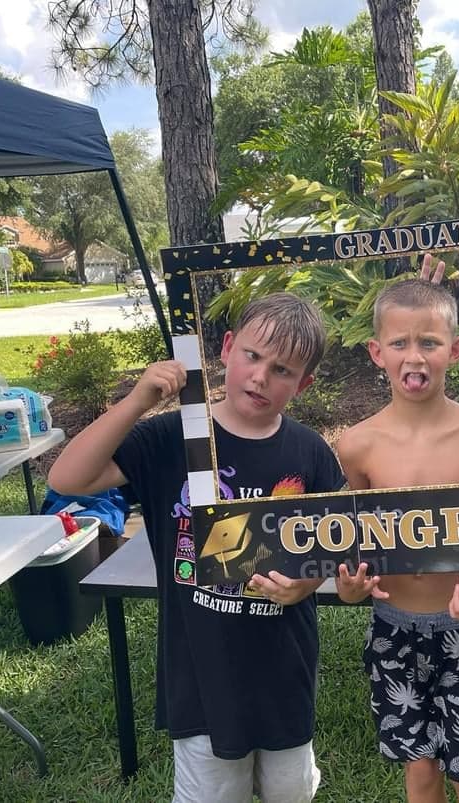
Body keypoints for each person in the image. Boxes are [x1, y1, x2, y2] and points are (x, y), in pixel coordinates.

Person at [49, 293, 344, 803]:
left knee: (289, 790)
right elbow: (69, 477)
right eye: (252, 356)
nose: (260, 377)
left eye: (282, 370)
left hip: (284, 668)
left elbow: (330, 545)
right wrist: (139, 399)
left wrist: (307, 585)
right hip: (202, 668)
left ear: (304, 384)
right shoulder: (170, 437)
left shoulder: (310, 452)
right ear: (227, 348)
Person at [334, 277, 459, 803]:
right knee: (420, 773)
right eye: (399, 343)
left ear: (454, 350)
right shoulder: (357, 445)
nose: (415, 356)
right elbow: (355, 543)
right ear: (377, 352)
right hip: (393, 631)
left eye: (429, 342)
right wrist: (349, 588)